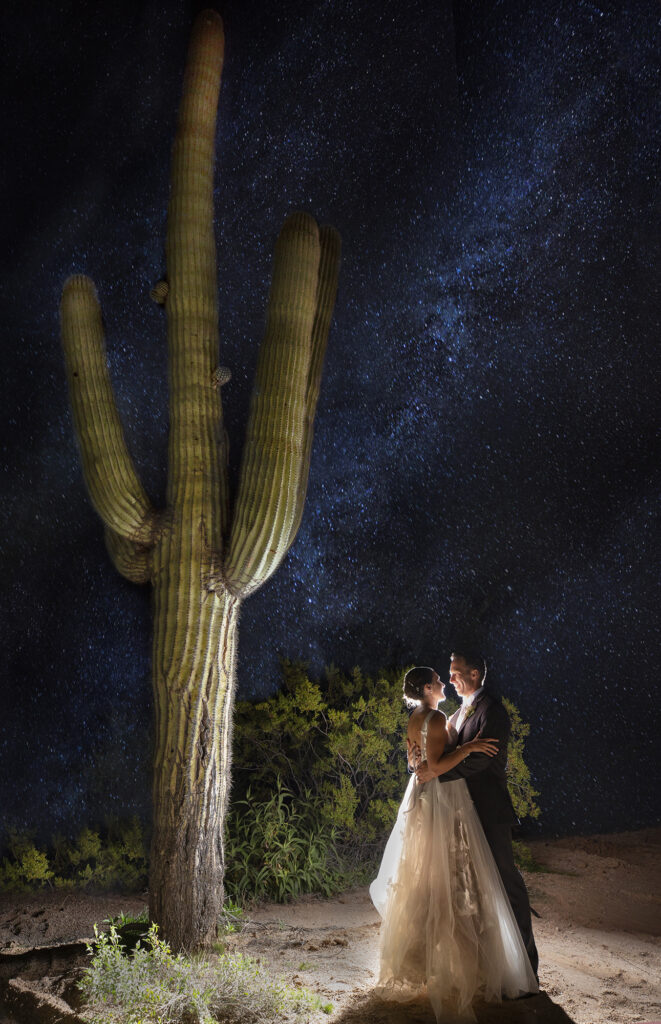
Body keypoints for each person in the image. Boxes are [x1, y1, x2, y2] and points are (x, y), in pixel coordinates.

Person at [370, 666, 538, 1023]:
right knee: (450, 877)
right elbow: (437, 764)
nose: (445, 683)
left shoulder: (417, 716)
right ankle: (461, 965)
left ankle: (427, 961)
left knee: (429, 878)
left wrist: (423, 766)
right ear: (429, 688)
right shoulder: (437, 715)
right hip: (443, 800)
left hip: (426, 795)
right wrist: (472, 747)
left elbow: (415, 760)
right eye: (439, 679)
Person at [416, 651, 539, 980]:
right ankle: (489, 967)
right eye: (450, 673)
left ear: (473, 674)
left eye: (455, 673)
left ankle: (527, 971)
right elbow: (444, 752)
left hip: (488, 811)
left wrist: (437, 774)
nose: (451, 678)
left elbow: (482, 759)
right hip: (459, 813)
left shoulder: (492, 711)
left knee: (506, 884)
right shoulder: (457, 713)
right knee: (472, 890)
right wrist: (424, 766)